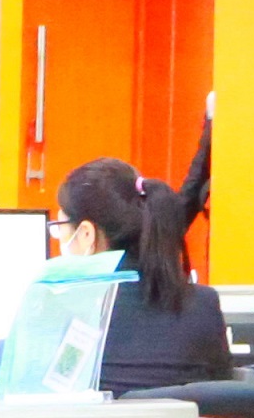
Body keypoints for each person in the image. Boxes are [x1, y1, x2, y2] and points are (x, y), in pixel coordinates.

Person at [57, 123, 233, 395]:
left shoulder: (63, 308)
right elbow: (222, 402)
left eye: (59, 227)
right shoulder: (204, 305)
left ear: (87, 234)